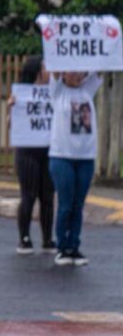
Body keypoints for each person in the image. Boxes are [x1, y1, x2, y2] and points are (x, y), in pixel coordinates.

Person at [48, 71, 102, 266]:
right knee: (65, 204)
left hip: (85, 157)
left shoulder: (88, 89)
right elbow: (53, 66)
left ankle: (74, 246)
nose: (78, 74)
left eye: (81, 71)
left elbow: (102, 66)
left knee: (78, 205)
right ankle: (62, 247)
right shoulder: (58, 90)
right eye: (74, 71)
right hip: (62, 157)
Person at [7, 56, 55, 255]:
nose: (49, 71)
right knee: (28, 195)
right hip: (27, 151)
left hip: (49, 150)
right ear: (37, 71)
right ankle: (24, 238)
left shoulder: (54, 92)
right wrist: (11, 108)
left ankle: (47, 238)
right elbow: (11, 123)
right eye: (45, 67)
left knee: (48, 197)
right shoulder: (20, 95)